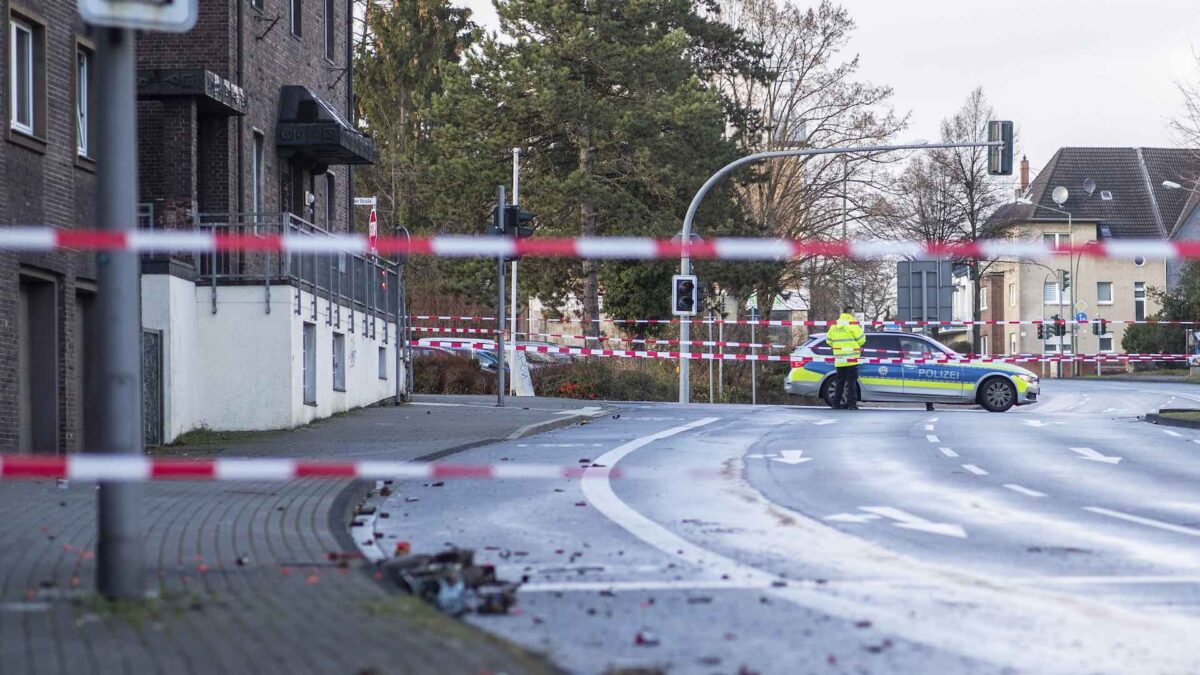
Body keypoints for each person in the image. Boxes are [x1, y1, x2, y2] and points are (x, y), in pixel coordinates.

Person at [827, 306, 865, 410]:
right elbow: (862, 340)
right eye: (853, 313)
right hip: (852, 357)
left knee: (840, 381)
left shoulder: (835, 325)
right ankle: (851, 404)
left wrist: (837, 348)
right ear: (850, 313)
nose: (854, 315)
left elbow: (828, 340)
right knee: (852, 382)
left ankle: (836, 404)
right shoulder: (852, 324)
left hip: (839, 359)